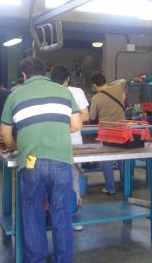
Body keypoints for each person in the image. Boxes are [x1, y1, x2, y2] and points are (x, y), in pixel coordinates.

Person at [0, 57, 82, 263]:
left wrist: (16, 146)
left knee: (32, 215)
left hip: (30, 162)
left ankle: (36, 260)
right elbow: (77, 124)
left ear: (24, 75)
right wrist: (57, 132)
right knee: (61, 216)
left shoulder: (15, 95)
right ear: (43, 72)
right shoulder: (64, 92)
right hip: (61, 161)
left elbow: (4, 134)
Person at [50, 65, 89, 232]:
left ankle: (72, 216)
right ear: (67, 78)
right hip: (61, 141)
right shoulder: (74, 91)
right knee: (66, 179)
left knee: (68, 178)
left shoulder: (75, 92)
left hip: (66, 141)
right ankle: (66, 216)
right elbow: (85, 116)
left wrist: (60, 126)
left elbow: (86, 115)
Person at [89, 71, 127, 195]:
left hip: (107, 132)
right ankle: (126, 185)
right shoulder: (117, 87)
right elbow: (123, 79)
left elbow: (92, 116)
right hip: (122, 129)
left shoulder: (96, 98)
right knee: (122, 158)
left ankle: (110, 188)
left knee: (107, 160)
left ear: (94, 85)